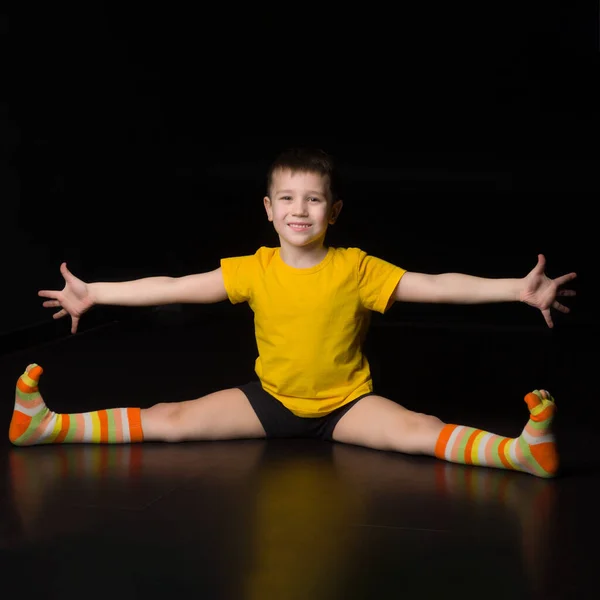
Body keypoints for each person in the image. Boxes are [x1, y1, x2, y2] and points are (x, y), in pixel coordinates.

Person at [9, 147, 577, 478]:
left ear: (333, 211)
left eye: (313, 199)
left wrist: (515, 289)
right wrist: (97, 294)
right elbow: (177, 285)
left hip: (346, 404)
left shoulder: (356, 268)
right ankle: (48, 426)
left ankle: (519, 453)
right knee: (170, 420)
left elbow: (433, 284)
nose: (299, 209)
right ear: (268, 209)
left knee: (420, 432)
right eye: (287, 198)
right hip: (270, 400)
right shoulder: (254, 268)